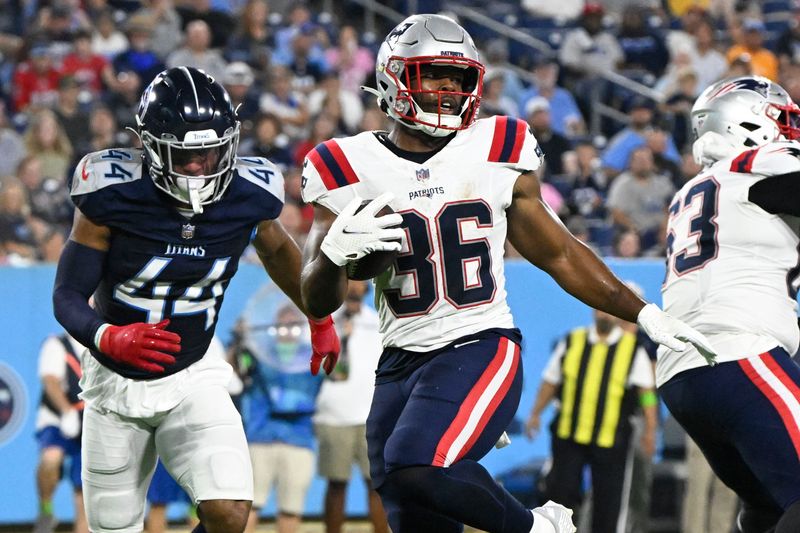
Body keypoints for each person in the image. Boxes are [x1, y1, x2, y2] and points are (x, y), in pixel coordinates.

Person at [298, 14, 716, 533]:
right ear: (394, 77)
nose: (451, 90)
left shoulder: (495, 146)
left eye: (462, 79)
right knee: (409, 502)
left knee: (415, 462)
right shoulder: (344, 164)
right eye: (435, 75)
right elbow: (318, 300)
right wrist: (333, 258)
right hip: (401, 358)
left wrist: (645, 314)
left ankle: (540, 529)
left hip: (479, 342)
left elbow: (559, 253)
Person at [51, 66, 340, 533]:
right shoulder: (112, 193)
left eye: (208, 152)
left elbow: (279, 252)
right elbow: (66, 295)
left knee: (229, 511)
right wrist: (106, 337)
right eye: (184, 155)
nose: (199, 166)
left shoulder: (250, 195)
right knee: (112, 526)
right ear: (150, 147)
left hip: (193, 374)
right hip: (114, 384)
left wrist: (319, 318)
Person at [659, 75, 800, 533]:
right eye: (782, 120)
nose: (790, 131)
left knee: (768, 509)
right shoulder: (761, 163)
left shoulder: (694, 192)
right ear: (748, 124)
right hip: (741, 354)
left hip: (683, 377)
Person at [524, 308, 657, 533]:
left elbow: (646, 392)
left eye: (609, 311)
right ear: (593, 311)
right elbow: (551, 381)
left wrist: (651, 430)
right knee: (560, 496)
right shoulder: (573, 341)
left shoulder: (633, 349)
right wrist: (535, 413)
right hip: (569, 434)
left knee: (609, 503)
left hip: (611, 438)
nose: (605, 315)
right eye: (600, 310)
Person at [235, 290, 324, 533]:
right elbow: (238, 372)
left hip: (299, 440)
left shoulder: (313, 355)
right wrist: (239, 340)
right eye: (282, 323)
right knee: (249, 507)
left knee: (290, 510)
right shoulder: (258, 352)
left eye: (293, 323)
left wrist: (343, 340)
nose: (287, 327)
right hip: (260, 438)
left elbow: (341, 373)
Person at [313, 280, 388, 533]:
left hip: (371, 417)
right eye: (349, 288)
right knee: (336, 485)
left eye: (359, 288)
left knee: (376, 485)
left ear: (367, 290)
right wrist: (340, 337)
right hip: (333, 415)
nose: (354, 292)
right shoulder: (325, 323)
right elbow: (319, 369)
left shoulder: (377, 323)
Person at [33, 332, 88, 533]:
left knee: (84, 498)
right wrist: (67, 411)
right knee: (51, 459)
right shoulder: (56, 344)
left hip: (88, 422)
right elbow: (51, 382)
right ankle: (46, 509)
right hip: (57, 418)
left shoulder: (99, 346)